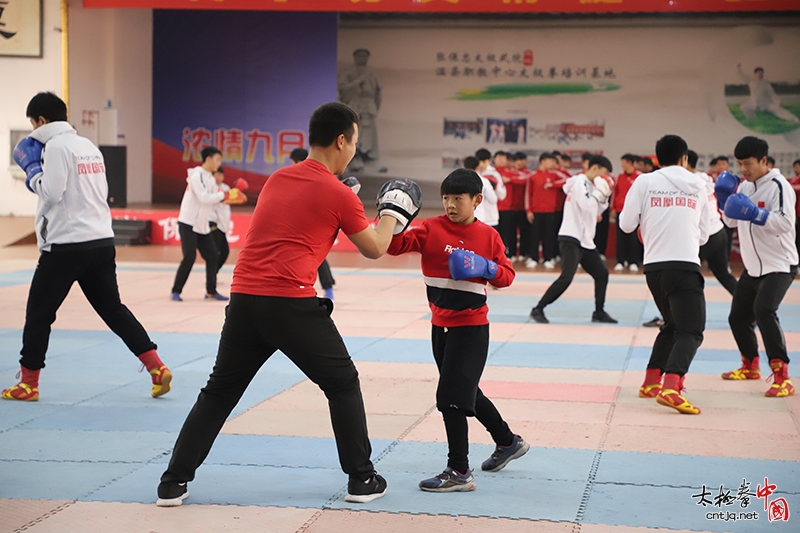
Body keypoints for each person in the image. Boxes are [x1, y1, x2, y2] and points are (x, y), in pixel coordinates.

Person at [156, 102, 422, 507]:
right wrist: (392, 212)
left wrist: (341, 202)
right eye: (354, 141)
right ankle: (362, 479)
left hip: (244, 300)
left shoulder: (279, 178)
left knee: (219, 392)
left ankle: (172, 483)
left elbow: (301, 220)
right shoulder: (338, 193)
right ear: (341, 140)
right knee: (343, 383)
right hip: (290, 304)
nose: (354, 149)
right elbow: (375, 248)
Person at [3, 92, 172, 401]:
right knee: (113, 310)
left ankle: (28, 384)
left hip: (67, 245)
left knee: (39, 314)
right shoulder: (88, 146)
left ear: (41, 121)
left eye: (32, 123)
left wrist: (31, 172)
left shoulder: (55, 147)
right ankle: (156, 368)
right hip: (101, 242)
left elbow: (51, 193)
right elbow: (100, 191)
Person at [387, 168, 528, 492]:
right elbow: (394, 247)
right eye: (446, 198)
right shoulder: (431, 228)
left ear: (477, 200)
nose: (450, 204)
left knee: (451, 397)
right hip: (440, 327)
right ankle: (508, 442)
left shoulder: (489, 236)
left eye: (458, 198)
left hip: (471, 328)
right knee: (466, 393)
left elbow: (507, 276)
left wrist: (486, 267)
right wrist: (392, 216)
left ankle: (459, 471)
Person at [620, 135, 711, 414]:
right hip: (684, 265)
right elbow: (705, 236)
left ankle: (651, 381)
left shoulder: (644, 181)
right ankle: (671, 386)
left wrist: (648, 225)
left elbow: (625, 225)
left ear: (657, 159)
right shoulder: (700, 184)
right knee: (691, 330)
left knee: (672, 324)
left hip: (654, 268)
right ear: (685, 159)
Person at [716, 136, 797, 397]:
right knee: (737, 317)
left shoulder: (778, 186)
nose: (743, 169)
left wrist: (756, 214)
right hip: (752, 268)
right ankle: (750, 366)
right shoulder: (744, 187)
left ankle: (782, 376)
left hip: (779, 263)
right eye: (739, 164)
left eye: (748, 163)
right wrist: (723, 200)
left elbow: (785, 223)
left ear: (764, 160)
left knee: (764, 310)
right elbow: (730, 223)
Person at [529, 156, 618, 325]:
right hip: (571, 237)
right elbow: (586, 205)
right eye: (604, 172)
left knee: (602, 274)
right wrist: (600, 192)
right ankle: (538, 308)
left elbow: (597, 209)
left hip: (585, 239)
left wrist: (605, 195)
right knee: (566, 277)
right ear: (595, 168)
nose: (604, 177)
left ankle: (599, 311)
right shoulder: (580, 182)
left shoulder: (590, 185)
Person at [171, 147, 246, 302]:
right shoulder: (196, 176)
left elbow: (215, 198)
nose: (219, 163)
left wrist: (231, 197)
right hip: (188, 223)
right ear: (209, 159)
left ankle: (211, 291)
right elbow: (204, 197)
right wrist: (225, 195)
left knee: (212, 256)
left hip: (202, 225)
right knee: (189, 257)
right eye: (218, 159)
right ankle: (176, 290)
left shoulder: (211, 179)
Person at [686, 150, 738, 295]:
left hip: (705, 236)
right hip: (719, 233)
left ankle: (669, 316)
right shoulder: (705, 180)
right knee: (723, 274)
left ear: (683, 161)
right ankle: (749, 307)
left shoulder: (689, 183)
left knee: (682, 274)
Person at [291, 148, 336, 299]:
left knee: (315, 255)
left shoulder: (307, 176)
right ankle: (326, 285)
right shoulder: (309, 175)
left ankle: (327, 287)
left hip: (310, 224)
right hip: (306, 223)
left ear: (298, 161)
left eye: (292, 162)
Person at [338, 48, 382, 170]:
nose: (362, 58)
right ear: (355, 57)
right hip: (355, 106)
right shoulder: (349, 73)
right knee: (354, 135)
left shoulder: (371, 74)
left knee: (370, 135)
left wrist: (375, 107)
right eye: (360, 56)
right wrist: (358, 82)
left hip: (369, 107)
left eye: (364, 56)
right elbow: (342, 89)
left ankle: (371, 162)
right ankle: (354, 161)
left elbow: (378, 93)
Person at [525, 153, 560, 269]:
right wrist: (529, 211)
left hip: (550, 210)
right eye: (550, 161)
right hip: (536, 211)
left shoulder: (555, 175)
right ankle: (534, 258)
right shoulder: (533, 176)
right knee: (534, 235)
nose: (552, 164)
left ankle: (548, 258)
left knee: (549, 236)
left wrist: (553, 184)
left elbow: (567, 181)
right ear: (543, 161)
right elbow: (528, 194)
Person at [612, 154, 643, 272]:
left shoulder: (640, 177)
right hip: (620, 210)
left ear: (629, 162)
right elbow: (616, 193)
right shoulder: (619, 177)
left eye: (623, 162)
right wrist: (613, 208)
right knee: (620, 237)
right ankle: (621, 260)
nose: (622, 165)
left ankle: (633, 261)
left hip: (635, 212)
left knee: (633, 238)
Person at [466, 152, 506, 231]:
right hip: (482, 217)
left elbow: (501, 195)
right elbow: (493, 198)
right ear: (478, 165)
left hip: (483, 216)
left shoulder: (494, 174)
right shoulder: (484, 180)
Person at [790, 159, 800, 257]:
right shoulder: (795, 179)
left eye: (796, 167)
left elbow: (790, 187)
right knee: (797, 240)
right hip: (797, 214)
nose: (795, 169)